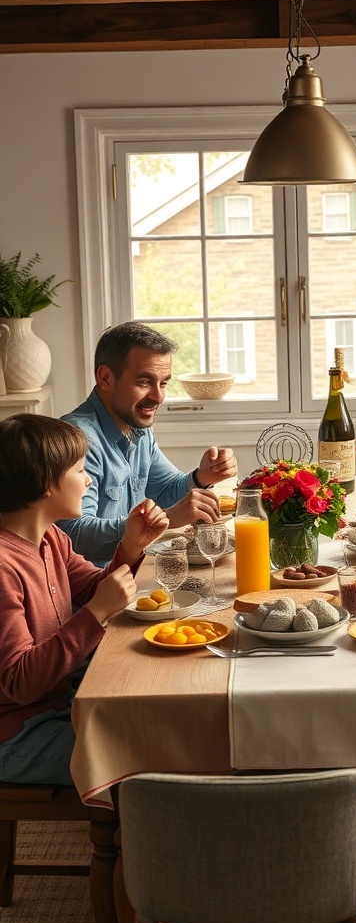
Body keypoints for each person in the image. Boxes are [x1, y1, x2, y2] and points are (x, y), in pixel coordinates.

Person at [0, 414, 169, 786]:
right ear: (48, 485)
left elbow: (96, 590)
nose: (89, 479)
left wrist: (130, 547)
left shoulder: (51, 539)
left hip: (62, 700)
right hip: (16, 733)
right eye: (80, 470)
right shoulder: (3, 567)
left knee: (157, 716)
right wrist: (95, 613)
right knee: (141, 757)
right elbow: (19, 682)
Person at [60, 322, 237, 565]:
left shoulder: (137, 426)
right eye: (144, 382)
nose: (158, 396)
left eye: (163, 383)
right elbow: (73, 535)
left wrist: (201, 477)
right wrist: (164, 518)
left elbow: (165, 490)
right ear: (106, 378)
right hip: (94, 589)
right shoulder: (76, 439)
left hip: (131, 569)